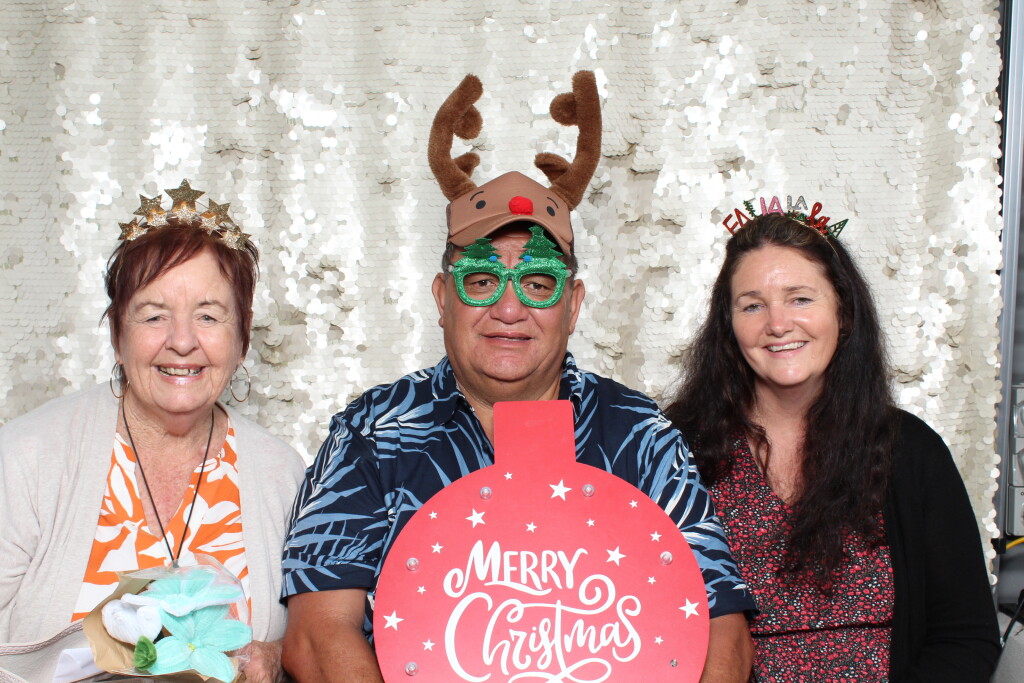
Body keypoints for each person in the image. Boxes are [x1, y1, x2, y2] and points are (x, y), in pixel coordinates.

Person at [281, 71, 756, 682]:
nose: (509, 309)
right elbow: (318, 635)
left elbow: (721, 629)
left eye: (538, 283)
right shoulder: (373, 432)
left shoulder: (639, 433)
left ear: (573, 306)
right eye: (481, 280)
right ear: (442, 298)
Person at [665, 208, 1001, 682]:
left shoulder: (911, 451)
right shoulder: (675, 452)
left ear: (843, 311)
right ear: (728, 325)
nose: (777, 324)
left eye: (800, 298)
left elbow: (965, 637)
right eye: (752, 305)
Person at [0, 180, 305, 683]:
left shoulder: (282, 474)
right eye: (154, 315)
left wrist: (274, 655)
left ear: (242, 338)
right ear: (117, 332)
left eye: (208, 316)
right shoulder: (26, 458)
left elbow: (311, 635)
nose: (182, 341)